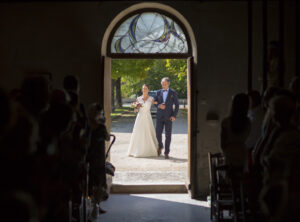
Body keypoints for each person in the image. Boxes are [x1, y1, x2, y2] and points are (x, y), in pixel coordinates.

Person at [220, 93, 251, 169]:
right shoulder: (248, 122)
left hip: (229, 152)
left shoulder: (226, 122)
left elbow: (222, 142)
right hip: (242, 152)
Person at [127, 84, 158, 157]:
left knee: (148, 132)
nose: (144, 90)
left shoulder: (151, 98)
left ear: (148, 90)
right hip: (140, 117)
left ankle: (150, 150)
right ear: (142, 89)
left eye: (146, 88)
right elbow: (137, 109)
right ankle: (137, 150)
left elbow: (157, 103)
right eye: (143, 88)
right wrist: (135, 109)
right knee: (138, 132)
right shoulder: (138, 98)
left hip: (147, 117)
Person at [154, 77, 179, 159]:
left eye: (165, 84)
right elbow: (155, 102)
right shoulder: (158, 92)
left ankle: (166, 152)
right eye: (162, 84)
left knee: (168, 135)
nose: (163, 85)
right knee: (158, 134)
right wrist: (158, 105)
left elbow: (177, 105)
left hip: (169, 117)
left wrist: (174, 116)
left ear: (168, 84)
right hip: (159, 117)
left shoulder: (173, 93)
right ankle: (160, 146)